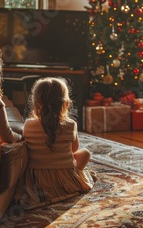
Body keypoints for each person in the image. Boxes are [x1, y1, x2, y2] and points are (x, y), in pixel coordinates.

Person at [14, 77, 95, 209]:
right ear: (66, 104)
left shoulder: (28, 125)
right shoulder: (70, 125)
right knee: (85, 153)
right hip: (65, 177)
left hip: (37, 180)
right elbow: (74, 150)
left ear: (35, 104)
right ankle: (74, 179)